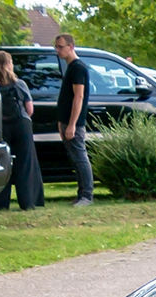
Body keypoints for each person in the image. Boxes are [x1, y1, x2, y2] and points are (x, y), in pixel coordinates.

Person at [0, 51, 44, 211]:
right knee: (26, 163)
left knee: (1, 163)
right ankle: (29, 201)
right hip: (21, 124)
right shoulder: (19, 84)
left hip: (0, 127)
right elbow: (29, 109)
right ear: (8, 65)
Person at [53, 33, 93, 207]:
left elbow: (79, 97)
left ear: (71, 47)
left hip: (74, 123)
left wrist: (72, 124)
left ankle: (87, 195)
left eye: (61, 47)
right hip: (65, 120)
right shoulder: (70, 67)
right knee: (75, 158)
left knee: (80, 157)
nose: (58, 50)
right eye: (56, 47)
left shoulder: (78, 68)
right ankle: (81, 193)